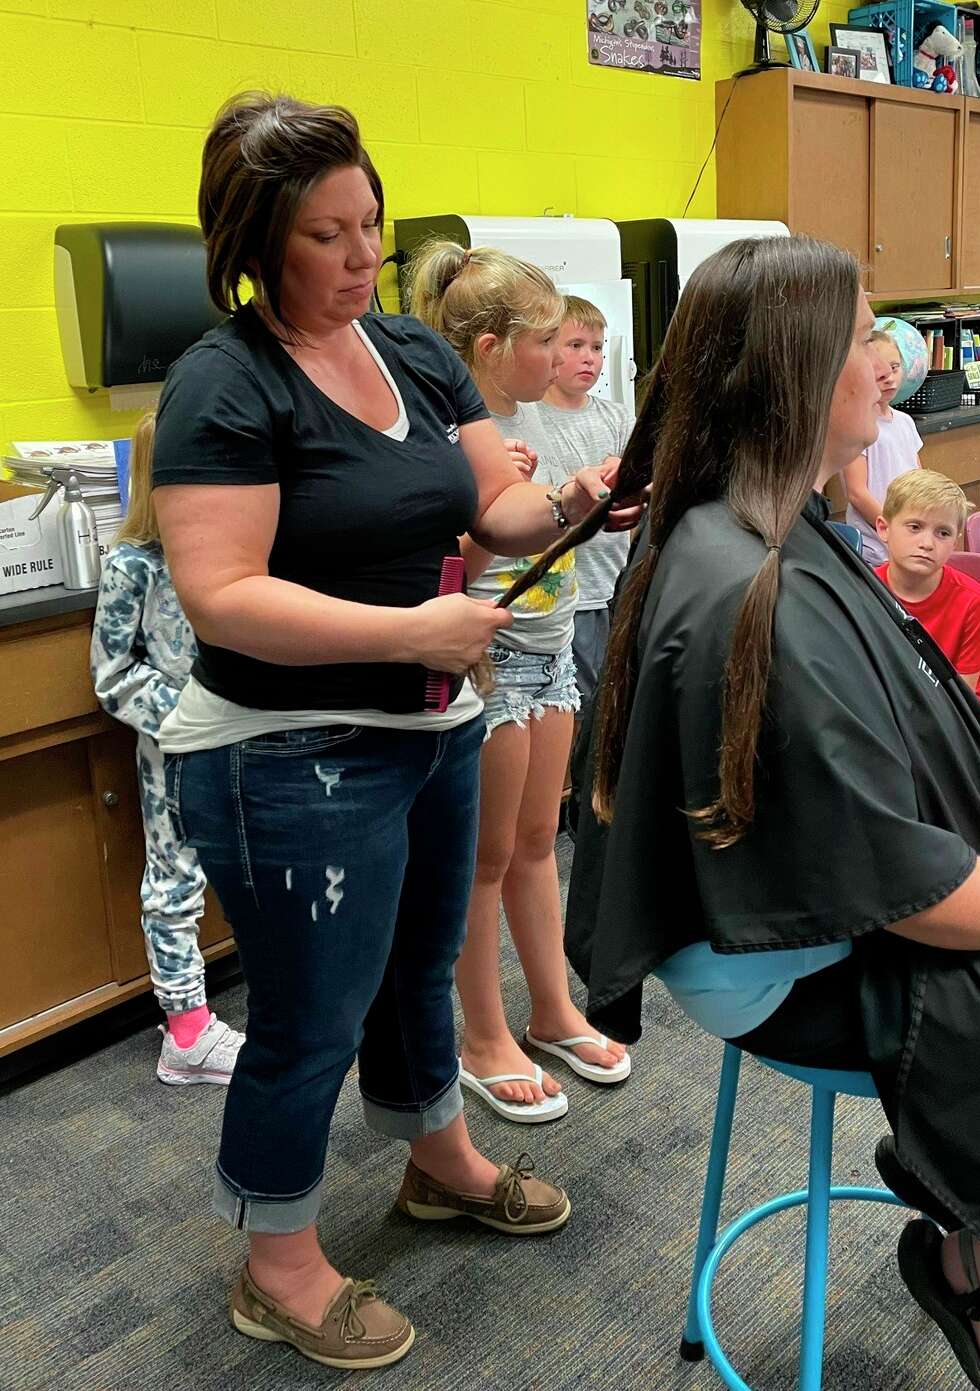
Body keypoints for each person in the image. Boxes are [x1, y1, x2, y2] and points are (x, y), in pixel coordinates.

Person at [561, 233, 980, 1390]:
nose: (888, 360)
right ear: (800, 367)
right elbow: (896, 885)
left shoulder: (760, 518)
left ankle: (970, 1214)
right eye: (865, 337)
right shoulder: (757, 585)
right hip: (775, 957)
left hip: (799, 897)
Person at [152, 93, 639, 1372]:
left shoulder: (414, 355)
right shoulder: (225, 380)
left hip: (429, 724)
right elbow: (223, 592)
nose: (364, 254)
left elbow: (493, 512)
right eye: (329, 235)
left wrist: (577, 501)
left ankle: (437, 1157)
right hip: (285, 750)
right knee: (313, 1014)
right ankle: (279, 1263)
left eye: (371, 223)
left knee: (423, 966)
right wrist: (407, 634)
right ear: (258, 243)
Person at [408, 247, 629, 1127]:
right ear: (494, 347)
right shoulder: (453, 440)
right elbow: (459, 558)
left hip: (549, 643)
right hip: (489, 658)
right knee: (483, 859)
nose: (560, 355)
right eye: (548, 340)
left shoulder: (527, 427)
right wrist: (538, 493)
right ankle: (483, 1036)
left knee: (541, 837)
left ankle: (551, 1009)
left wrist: (584, 498)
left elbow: (547, 533)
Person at [90, 413, 245, 1085]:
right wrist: (189, 713)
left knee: (257, 868)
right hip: (177, 748)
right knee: (175, 882)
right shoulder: (135, 566)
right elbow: (114, 674)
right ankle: (185, 1034)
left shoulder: (239, 550)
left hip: (246, 734)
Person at [540, 295, 635, 715]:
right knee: (586, 705)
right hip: (575, 594)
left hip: (620, 580)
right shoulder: (531, 417)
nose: (590, 358)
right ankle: (584, 783)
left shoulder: (618, 417)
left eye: (597, 348)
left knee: (622, 698)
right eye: (575, 345)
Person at [874, 469, 980, 707]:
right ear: (884, 529)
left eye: (943, 533)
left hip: (954, 709)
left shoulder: (971, 598)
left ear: (955, 543)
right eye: (914, 527)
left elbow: (965, 694)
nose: (927, 544)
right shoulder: (865, 589)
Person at [843, 328, 923, 565]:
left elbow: (920, 480)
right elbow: (857, 493)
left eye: (894, 368)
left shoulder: (905, 422)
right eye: (880, 373)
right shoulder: (858, 425)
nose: (889, 378)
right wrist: (894, 531)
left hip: (907, 542)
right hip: (875, 551)